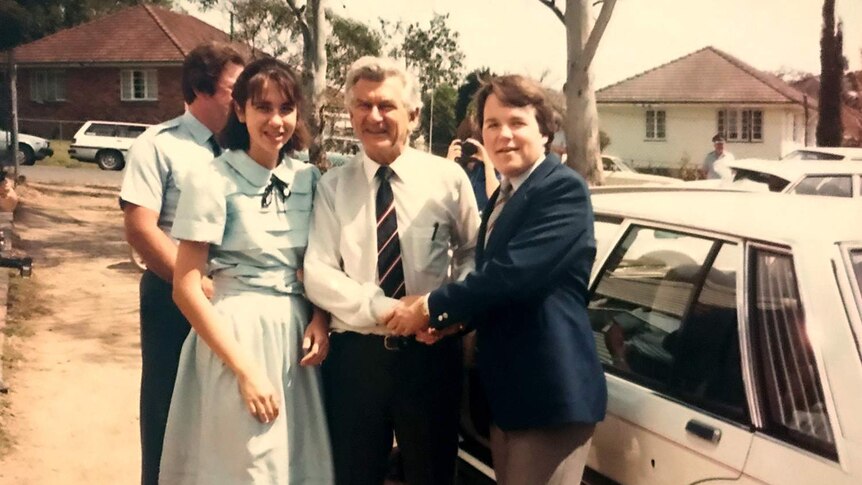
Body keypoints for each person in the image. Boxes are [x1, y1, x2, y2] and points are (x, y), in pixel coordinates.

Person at [385, 74, 607, 485]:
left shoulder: (563, 190)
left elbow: (513, 275)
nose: (503, 134)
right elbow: (497, 290)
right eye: (491, 124)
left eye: (516, 122)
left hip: (548, 397)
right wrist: (454, 322)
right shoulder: (506, 194)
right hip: (507, 397)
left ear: (544, 129)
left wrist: (431, 305)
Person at [303, 55, 480, 485]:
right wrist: (386, 310)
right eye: (363, 106)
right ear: (350, 113)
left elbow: (475, 255)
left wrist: (444, 311)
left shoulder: (448, 179)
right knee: (353, 474)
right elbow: (318, 272)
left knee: (431, 475)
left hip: (431, 354)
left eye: (386, 106)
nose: (374, 116)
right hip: (355, 361)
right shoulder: (332, 186)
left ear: (414, 114)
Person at [157, 57, 333, 484]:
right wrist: (244, 368)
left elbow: (324, 265)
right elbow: (186, 287)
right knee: (245, 466)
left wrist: (321, 318)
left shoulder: (311, 180)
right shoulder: (212, 179)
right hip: (236, 337)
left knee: (294, 465)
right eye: (263, 107)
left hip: (295, 344)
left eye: (286, 108)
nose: (276, 121)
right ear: (240, 111)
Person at [119, 41, 245, 485]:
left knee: (228, 413)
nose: (243, 98)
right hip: (174, 297)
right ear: (201, 88)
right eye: (235, 89)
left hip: (237, 301)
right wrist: (195, 286)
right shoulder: (159, 146)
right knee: (168, 410)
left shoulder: (244, 149)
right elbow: (141, 228)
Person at [446, 119, 499, 212]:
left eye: (477, 141)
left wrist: (488, 164)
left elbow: (496, 199)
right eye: (467, 141)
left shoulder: (493, 169)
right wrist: (447, 164)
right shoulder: (456, 168)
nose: (471, 146)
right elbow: (439, 196)